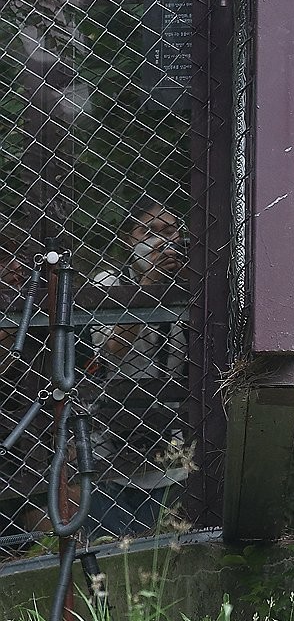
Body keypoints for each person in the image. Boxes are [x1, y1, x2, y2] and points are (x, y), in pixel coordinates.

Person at [85, 198, 190, 537]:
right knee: (117, 550)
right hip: (112, 445)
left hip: (172, 446)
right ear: (130, 241)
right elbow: (110, 351)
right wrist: (147, 287)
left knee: (169, 551)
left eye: (170, 230)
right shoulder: (108, 281)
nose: (162, 240)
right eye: (149, 231)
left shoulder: (193, 283)